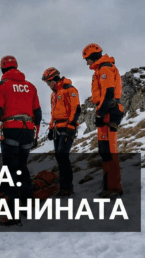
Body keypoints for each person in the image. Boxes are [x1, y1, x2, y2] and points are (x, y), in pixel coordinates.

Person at [0, 55, 41, 226]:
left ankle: (12, 214)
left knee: (10, 171)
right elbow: (38, 114)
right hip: (28, 131)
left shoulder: (2, 86)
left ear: (3, 69)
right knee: (22, 167)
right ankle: (27, 205)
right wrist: (36, 134)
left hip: (11, 130)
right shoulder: (30, 86)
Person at [82, 43, 124, 197]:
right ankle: (108, 185)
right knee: (105, 150)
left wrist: (100, 113)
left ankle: (114, 188)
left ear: (92, 56)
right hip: (105, 111)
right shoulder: (100, 69)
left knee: (110, 151)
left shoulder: (105, 68)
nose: (87, 62)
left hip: (109, 112)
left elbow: (108, 93)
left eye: (87, 59)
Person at [41, 67, 81, 197]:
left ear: (55, 78)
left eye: (48, 82)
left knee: (63, 156)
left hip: (67, 127)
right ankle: (63, 186)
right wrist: (51, 128)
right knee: (59, 156)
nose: (48, 85)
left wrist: (71, 126)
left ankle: (68, 187)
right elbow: (53, 113)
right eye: (46, 83)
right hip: (57, 127)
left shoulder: (70, 89)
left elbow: (76, 109)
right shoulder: (53, 94)